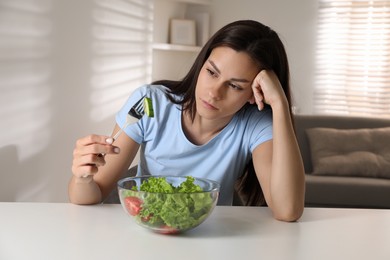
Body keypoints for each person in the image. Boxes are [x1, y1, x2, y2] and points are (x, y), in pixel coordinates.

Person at [69, 20, 305, 222]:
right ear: (201, 64)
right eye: (212, 72)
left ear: (255, 93)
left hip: (212, 236)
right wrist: (83, 176)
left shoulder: (254, 124)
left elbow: (287, 211)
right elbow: (92, 194)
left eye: (234, 86)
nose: (214, 92)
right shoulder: (150, 103)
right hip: (147, 229)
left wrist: (280, 105)